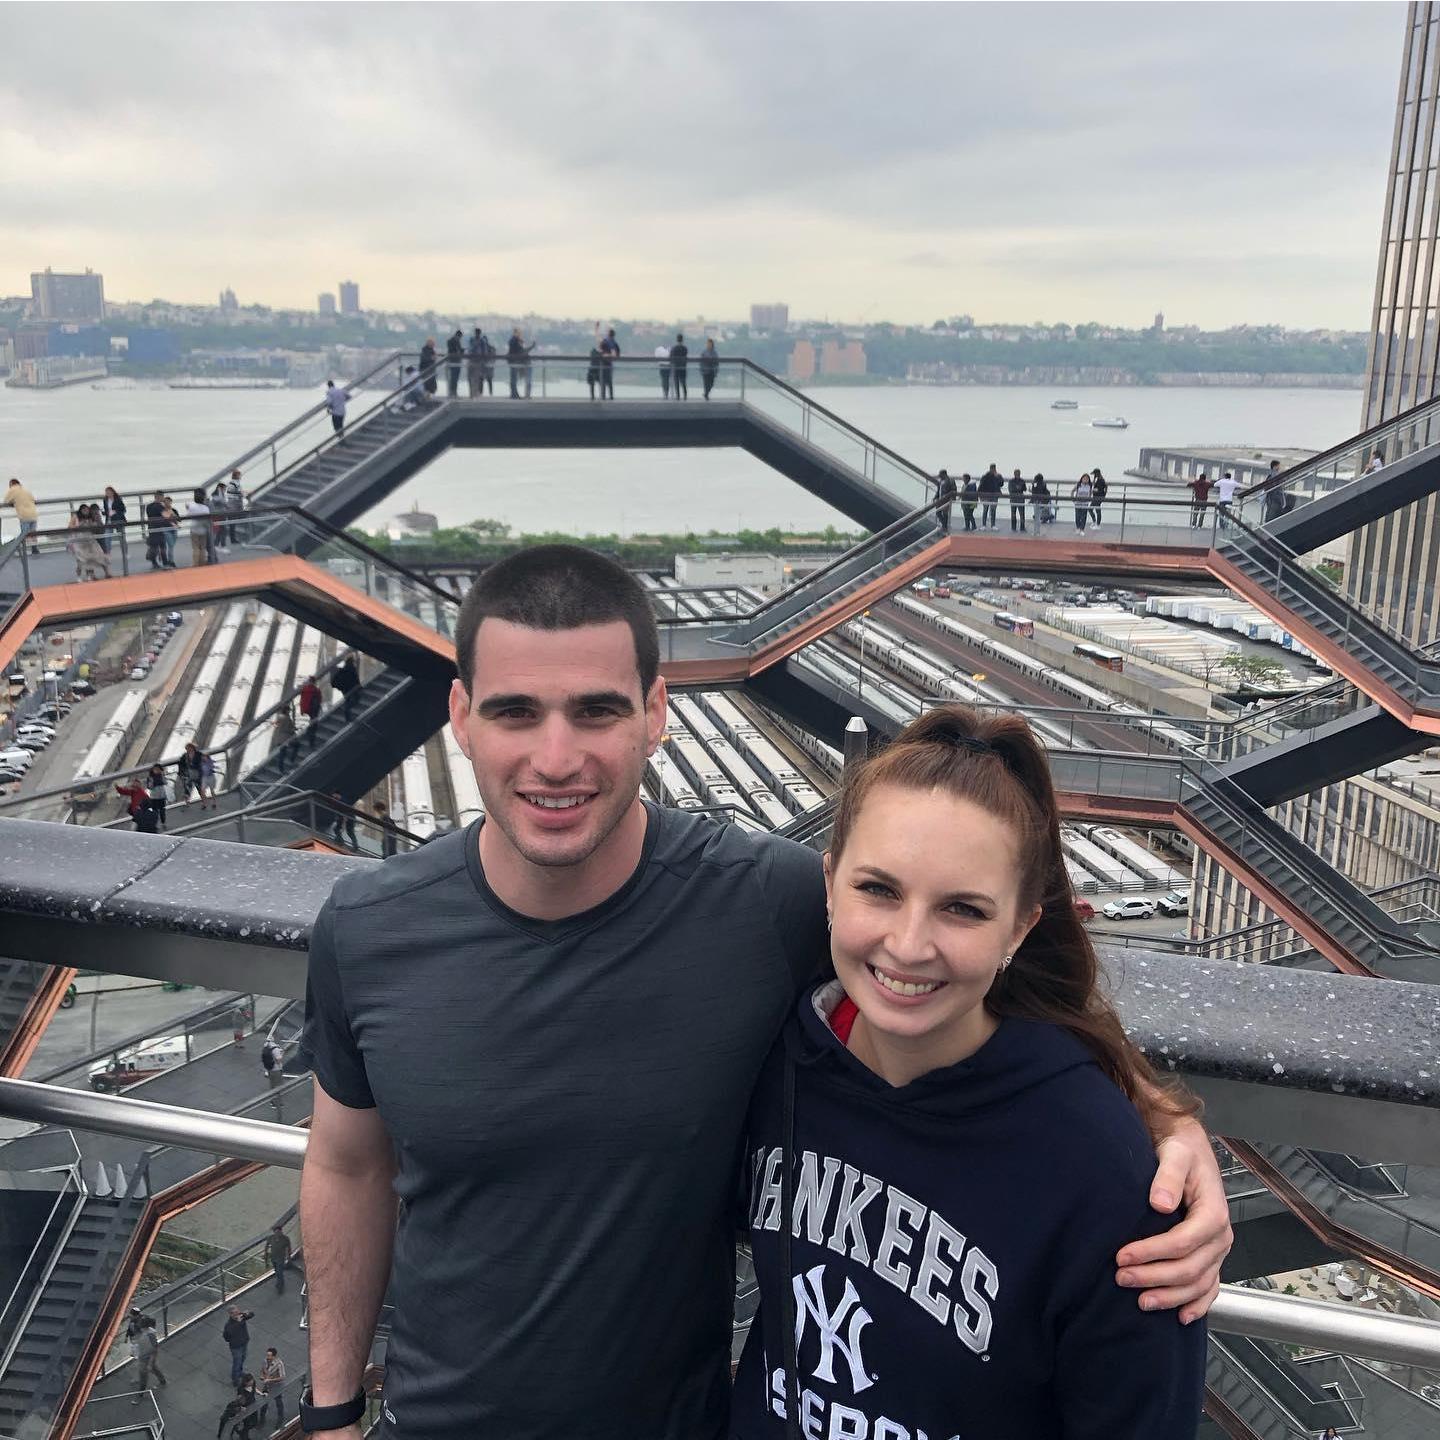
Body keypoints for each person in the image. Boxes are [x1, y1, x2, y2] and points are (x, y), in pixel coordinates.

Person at [295, 544, 1228, 1440]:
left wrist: (1158, 1129)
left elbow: (967, 981)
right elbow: (346, 1166)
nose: (554, 758)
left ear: (657, 713)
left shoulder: (770, 902)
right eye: (513, 712)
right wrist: (333, 1409)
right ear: (459, 714)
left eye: (596, 710)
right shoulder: (367, 928)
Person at [731, 704, 1207, 1440]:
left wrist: (1160, 1121)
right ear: (829, 885)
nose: (909, 944)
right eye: (878, 890)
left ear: (1020, 927)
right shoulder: (770, 1055)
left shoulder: (1101, 1171)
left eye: (962, 909)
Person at [132, 1315, 166, 1402]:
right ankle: (162, 1380)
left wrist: (150, 1363)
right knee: (154, 1368)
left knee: (143, 1376)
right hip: (143, 1356)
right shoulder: (145, 1332)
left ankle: (140, 1394)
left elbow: (154, 1349)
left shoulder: (150, 1335)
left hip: (146, 1358)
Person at [2, 478, 40, 556]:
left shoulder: (12, 490)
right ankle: (35, 549)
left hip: (24, 515)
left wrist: (14, 503)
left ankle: (15, 549)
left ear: (11, 484)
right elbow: (33, 499)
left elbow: (6, 501)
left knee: (23, 534)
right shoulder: (25, 490)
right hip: (33, 514)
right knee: (32, 533)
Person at [222, 1306, 255, 1388]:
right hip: (236, 1347)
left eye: (238, 1311)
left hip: (244, 1343)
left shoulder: (241, 1316)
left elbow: (252, 1315)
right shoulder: (229, 1324)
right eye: (236, 1312)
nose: (238, 1313)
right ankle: (235, 1379)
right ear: (231, 1314)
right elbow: (228, 1334)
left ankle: (240, 1372)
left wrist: (247, 1313)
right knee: (237, 1362)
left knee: (243, 1358)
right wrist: (238, 1322)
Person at [259, 1347, 288, 1427]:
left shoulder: (279, 1364)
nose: (267, 1357)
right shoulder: (265, 1361)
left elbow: (282, 1377)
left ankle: (280, 1419)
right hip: (267, 1386)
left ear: (274, 1356)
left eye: (269, 1355)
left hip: (276, 1386)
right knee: (264, 1402)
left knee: (278, 1402)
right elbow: (262, 1370)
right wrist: (262, 1376)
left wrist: (270, 1380)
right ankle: (262, 1420)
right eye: (267, 1355)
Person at [331, 652, 361, 722]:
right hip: (351, 688)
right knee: (356, 698)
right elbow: (355, 678)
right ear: (352, 661)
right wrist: (359, 686)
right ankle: (347, 713)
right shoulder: (352, 668)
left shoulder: (345, 667)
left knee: (347, 700)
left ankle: (347, 716)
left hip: (344, 688)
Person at [185, 488, 211, 567]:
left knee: (196, 547)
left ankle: (195, 563)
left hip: (194, 528)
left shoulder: (192, 507)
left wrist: (187, 508)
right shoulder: (206, 508)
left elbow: (188, 516)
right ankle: (202, 562)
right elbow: (207, 519)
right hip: (203, 528)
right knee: (203, 547)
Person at [507, 328, 534, 399]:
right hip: (515, 362)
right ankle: (515, 394)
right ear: (516, 333)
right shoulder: (515, 341)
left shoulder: (513, 341)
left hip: (514, 361)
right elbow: (522, 352)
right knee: (514, 379)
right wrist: (531, 347)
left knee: (513, 379)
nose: (520, 335)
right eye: (519, 333)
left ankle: (514, 394)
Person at [266, 1222, 293, 1293]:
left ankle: (280, 1285)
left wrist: (289, 1257)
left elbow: (289, 1248)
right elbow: (266, 1247)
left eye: (278, 1231)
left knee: (279, 1271)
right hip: (273, 1258)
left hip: (281, 1258)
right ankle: (280, 1281)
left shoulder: (285, 1239)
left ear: (281, 1231)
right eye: (276, 1232)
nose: (277, 1233)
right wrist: (266, 1258)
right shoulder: (270, 1238)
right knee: (277, 1271)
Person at [100, 486, 126, 556]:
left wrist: (115, 512)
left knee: (121, 538)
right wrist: (104, 512)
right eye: (106, 492)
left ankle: (125, 553)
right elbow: (106, 510)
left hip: (118, 520)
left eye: (109, 492)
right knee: (107, 537)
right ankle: (108, 553)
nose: (108, 493)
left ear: (113, 492)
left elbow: (123, 510)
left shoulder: (118, 499)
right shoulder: (105, 500)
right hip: (109, 520)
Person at [299, 675, 322, 748]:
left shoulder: (304, 689)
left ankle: (307, 734)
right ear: (314, 682)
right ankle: (311, 741)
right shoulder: (316, 690)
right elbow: (319, 699)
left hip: (306, 709)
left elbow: (302, 700)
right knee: (314, 725)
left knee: (310, 723)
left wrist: (302, 709)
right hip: (314, 710)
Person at [1263, 458, 1289, 522]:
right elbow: (1277, 484)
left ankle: (1267, 522)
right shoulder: (1274, 475)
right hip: (1274, 498)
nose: (1279, 467)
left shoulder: (1271, 474)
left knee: (1271, 513)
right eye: (1278, 466)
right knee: (1273, 514)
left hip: (1273, 497)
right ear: (1275, 466)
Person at [273, 701, 299, 768]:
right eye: (289, 710)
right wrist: (294, 729)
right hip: (286, 739)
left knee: (282, 752)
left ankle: (282, 768)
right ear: (286, 711)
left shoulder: (279, 716)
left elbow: (275, 724)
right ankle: (291, 761)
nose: (289, 712)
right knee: (296, 746)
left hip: (279, 738)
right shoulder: (286, 718)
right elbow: (288, 729)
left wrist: (279, 728)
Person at [978, 463, 1002, 530]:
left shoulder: (998, 476)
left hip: (994, 496)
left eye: (994, 468)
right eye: (992, 468)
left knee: (993, 510)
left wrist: (998, 477)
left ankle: (993, 525)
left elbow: (1001, 484)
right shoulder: (985, 476)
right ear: (990, 468)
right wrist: (980, 495)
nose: (993, 469)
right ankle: (984, 525)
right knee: (985, 510)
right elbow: (981, 485)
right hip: (986, 496)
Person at [599, 326, 620, 399]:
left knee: (604, 381)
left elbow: (614, 354)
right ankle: (610, 396)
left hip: (605, 363)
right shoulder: (613, 342)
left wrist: (606, 355)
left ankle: (604, 396)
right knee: (608, 380)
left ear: (608, 334)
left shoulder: (609, 342)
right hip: (609, 364)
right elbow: (617, 354)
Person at [159, 495, 180, 567]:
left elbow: (179, 519)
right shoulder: (162, 511)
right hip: (167, 529)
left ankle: (166, 557)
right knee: (171, 546)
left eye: (169, 502)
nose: (168, 503)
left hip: (174, 529)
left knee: (172, 546)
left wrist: (172, 512)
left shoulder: (174, 510)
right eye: (166, 502)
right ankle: (171, 561)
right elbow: (164, 520)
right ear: (164, 503)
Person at [466, 328, 486, 398]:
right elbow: (484, 352)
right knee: (474, 378)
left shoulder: (477, 340)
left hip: (474, 361)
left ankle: (473, 394)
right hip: (476, 361)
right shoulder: (481, 341)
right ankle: (473, 394)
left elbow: (470, 349)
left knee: (474, 378)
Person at [445, 330, 464, 398]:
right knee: (453, 378)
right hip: (453, 362)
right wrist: (458, 351)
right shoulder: (451, 341)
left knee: (455, 379)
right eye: (459, 337)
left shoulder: (457, 341)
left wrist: (461, 351)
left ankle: (454, 392)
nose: (459, 339)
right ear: (457, 335)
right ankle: (452, 392)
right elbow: (452, 351)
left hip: (457, 362)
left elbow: (459, 350)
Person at [670, 332, 689, 399]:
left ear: (677, 339)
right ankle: (685, 395)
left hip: (676, 367)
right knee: (683, 382)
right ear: (682, 339)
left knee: (676, 383)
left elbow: (671, 358)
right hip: (683, 367)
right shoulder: (685, 348)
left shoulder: (674, 348)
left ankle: (678, 396)